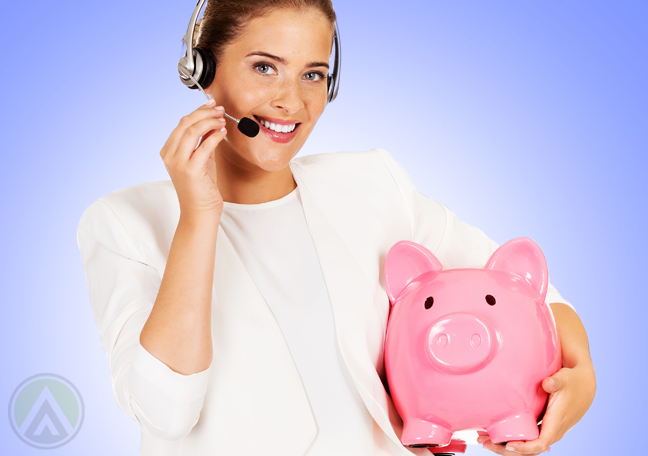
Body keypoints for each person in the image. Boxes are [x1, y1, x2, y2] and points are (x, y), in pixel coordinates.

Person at [77, 1, 596, 455]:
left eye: (313, 75)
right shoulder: (124, 223)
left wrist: (583, 375)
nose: (291, 102)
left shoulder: (372, 184)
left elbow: (532, 292)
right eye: (264, 67)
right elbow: (165, 411)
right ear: (202, 68)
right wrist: (198, 217)